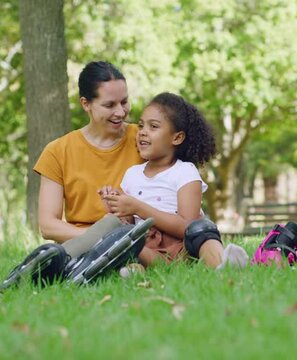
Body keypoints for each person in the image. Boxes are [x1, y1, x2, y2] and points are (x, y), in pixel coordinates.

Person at [0, 62, 240, 291]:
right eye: (110, 105)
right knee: (114, 235)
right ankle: (47, 268)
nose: (121, 112)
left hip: (137, 238)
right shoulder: (58, 151)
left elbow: (177, 187)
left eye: (124, 102)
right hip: (93, 240)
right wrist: (105, 239)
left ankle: (85, 265)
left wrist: (120, 235)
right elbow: (48, 225)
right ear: (86, 104)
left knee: (128, 242)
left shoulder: (144, 140)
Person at [99, 92, 248, 270]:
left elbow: (188, 226)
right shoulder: (132, 174)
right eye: (141, 126)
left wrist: (138, 207)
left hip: (181, 249)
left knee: (203, 231)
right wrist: (117, 207)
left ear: (176, 137)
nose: (142, 133)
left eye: (153, 127)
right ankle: (133, 268)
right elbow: (129, 223)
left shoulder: (185, 172)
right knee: (119, 237)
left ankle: (223, 264)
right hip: (146, 248)